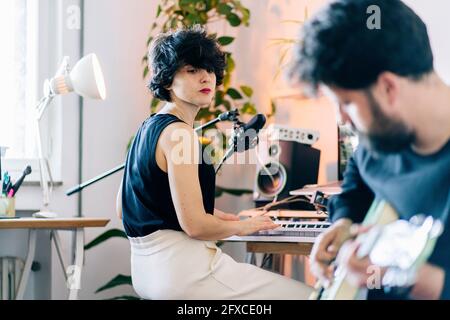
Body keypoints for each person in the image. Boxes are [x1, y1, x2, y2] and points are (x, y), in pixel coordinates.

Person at [116, 25, 312, 300]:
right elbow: (195, 226)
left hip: (149, 275)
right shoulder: (181, 134)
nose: (205, 77)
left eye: (209, 70)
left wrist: (219, 215)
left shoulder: (147, 129)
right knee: (313, 296)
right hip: (187, 273)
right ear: (168, 80)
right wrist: (245, 226)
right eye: (192, 70)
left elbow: (127, 208)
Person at [290, 0, 450, 299]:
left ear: (388, 88)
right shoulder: (380, 140)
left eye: (346, 102)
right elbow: (356, 186)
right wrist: (344, 222)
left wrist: (402, 276)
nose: (341, 119)